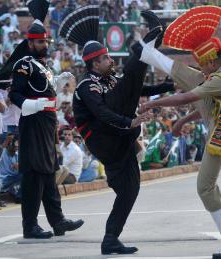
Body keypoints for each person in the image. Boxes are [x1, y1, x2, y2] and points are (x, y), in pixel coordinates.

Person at [138, 7, 221, 258]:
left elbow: (189, 97)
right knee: (210, 187)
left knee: (204, 187)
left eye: (203, 65)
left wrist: (152, 103)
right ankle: (151, 54)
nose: (202, 70)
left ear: (212, 60)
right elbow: (208, 105)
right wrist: (181, 123)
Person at [60, 7, 173, 254]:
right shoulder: (85, 86)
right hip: (104, 138)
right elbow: (102, 113)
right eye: (106, 59)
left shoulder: (109, 80)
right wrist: (130, 122)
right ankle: (144, 46)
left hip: (120, 140)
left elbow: (134, 91)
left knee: (130, 189)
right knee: (131, 75)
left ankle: (110, 238)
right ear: (94, 63)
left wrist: (168, 85)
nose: (111, 61)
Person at [7, 0, 84, 238]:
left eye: (46, 41)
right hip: (33, 123)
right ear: (30, 42)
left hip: (48, 123)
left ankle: (58, 221)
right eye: (40, 41)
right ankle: (29, 226)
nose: (45, 45)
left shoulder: (45, 66)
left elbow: (47, 93)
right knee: (33, 174)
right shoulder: (24, 65)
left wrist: (57, 84)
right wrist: (31, 104)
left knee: (49, 172)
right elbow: (14, 94)